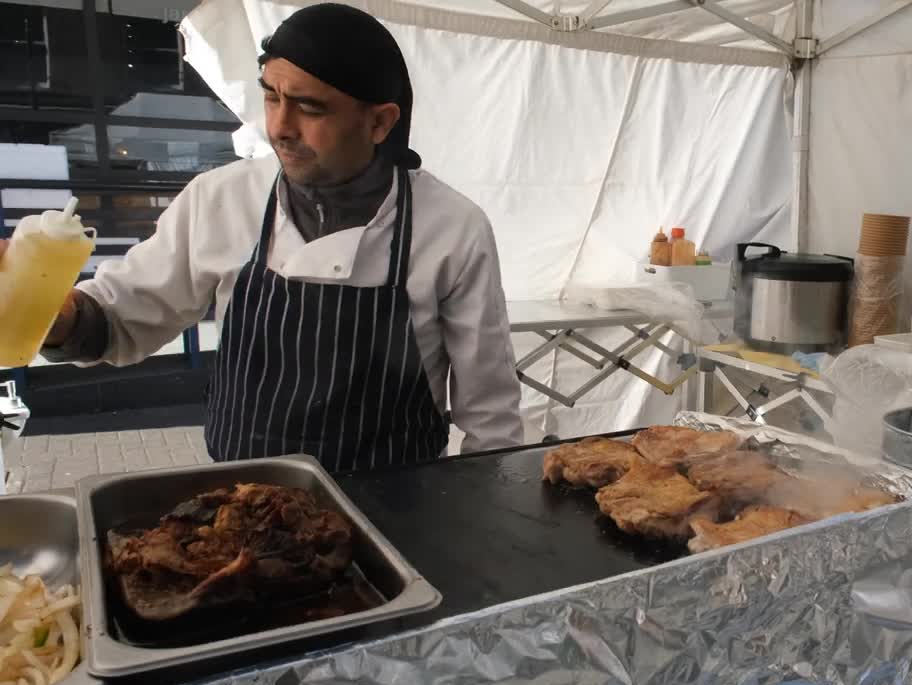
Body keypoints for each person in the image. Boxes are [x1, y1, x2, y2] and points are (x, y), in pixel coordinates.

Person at [0, 3, 523, 472]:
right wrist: (54, 311)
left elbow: (490, 413)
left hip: (401, 514)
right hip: (244, 509)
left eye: (310, 107)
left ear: (380, 122)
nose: (279, 126)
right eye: (271, 96)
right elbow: (123, 316)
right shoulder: (220, 199)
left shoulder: (452, 228)